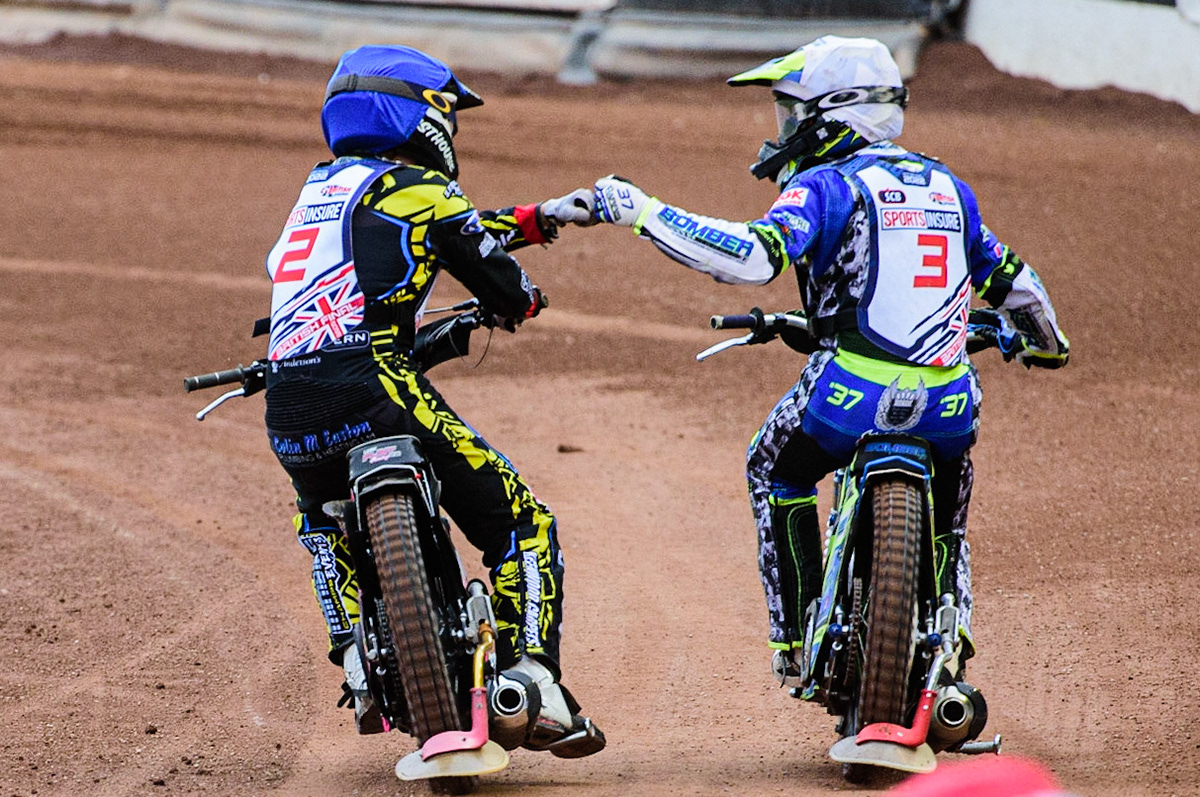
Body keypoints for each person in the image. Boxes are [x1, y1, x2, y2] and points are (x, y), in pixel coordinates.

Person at [591, 36, 1068, 690]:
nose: (784, 129)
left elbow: (755, 256)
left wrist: (645, 212)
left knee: (771, 465)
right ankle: (951, 638)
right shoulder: (951, 189)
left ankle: (793, 635)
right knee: (950, 521)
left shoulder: (828, 184)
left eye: (793, 112)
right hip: (950, 403)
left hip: (848, 389)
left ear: (836, 112)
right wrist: (1041, 342)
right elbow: (1021, 288)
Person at [261, 44, 603, 758]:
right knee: (523, 521)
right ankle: (533, 675)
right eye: (446, 112)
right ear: (416, 115)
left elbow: (423, 230)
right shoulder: (417, 183)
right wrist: (521, 298)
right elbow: (479, 258)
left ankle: (354, 653)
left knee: (319, 520)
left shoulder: (316, 193)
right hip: (376, 384)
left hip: (288, 405)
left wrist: (538, 217)